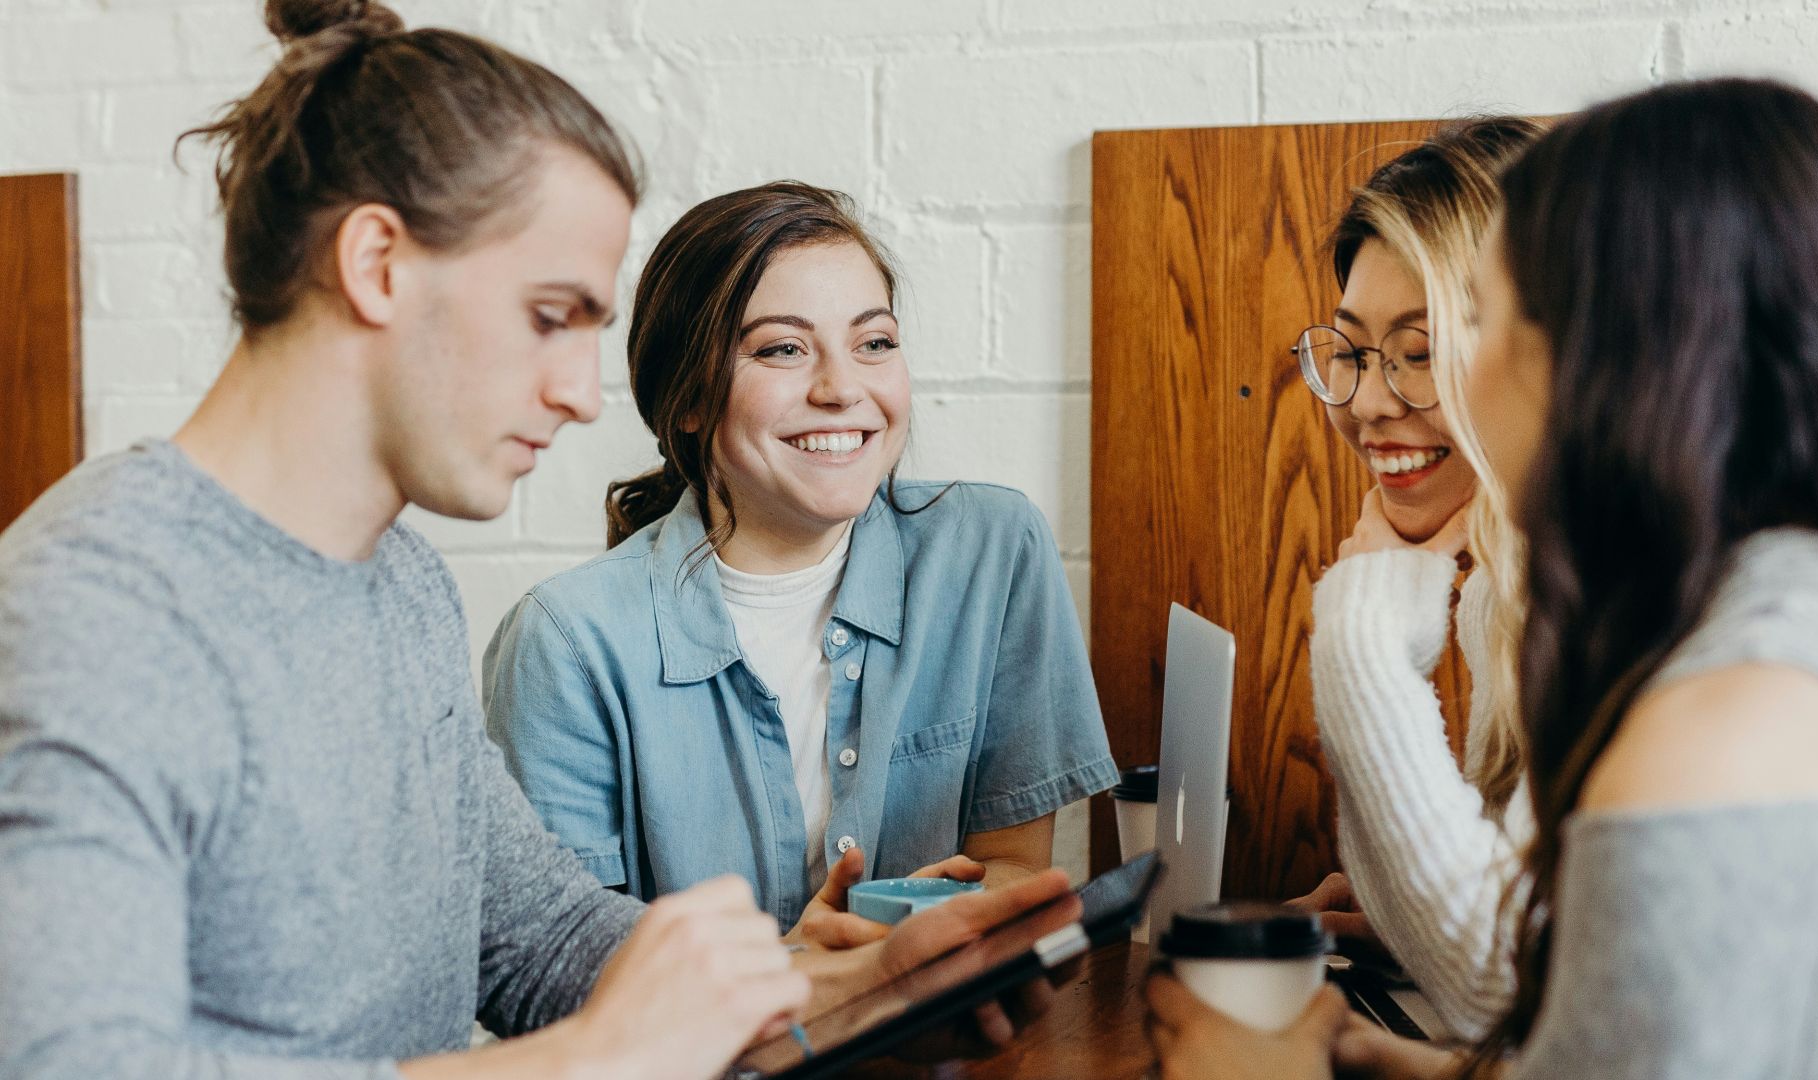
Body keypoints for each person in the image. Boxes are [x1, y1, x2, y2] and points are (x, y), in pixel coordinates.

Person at [0, 3, 1073, 1078]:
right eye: (550, 316)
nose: (574, 392)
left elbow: (539, 937)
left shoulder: (398, 584)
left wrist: (837, 989)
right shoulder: (97, 610)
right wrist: (592, 1061)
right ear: (376, 263)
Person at [1149, 77, 1818, 1079]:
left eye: (1474, 319)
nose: (1417, 388)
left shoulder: (1718, 722)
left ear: (1617, 352)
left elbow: (1519, 989)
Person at [483, 180, 1120, 947]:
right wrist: (804, 977)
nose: (842, 388)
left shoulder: (992, 551)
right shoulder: (566, 642)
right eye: (782, 349)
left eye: (874, 343)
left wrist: (906, 945)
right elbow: (564, 968)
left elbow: (1013, 866)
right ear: (685, 399)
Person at [1284, 118, 1544, 1040]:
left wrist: (1360, 636)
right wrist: (1405, 915)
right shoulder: (1506, 589)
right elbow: (1537, 971)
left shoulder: (1613, 597)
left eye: (1421, 351)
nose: (1367, 402)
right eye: (1350, 352)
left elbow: (1501, 991)